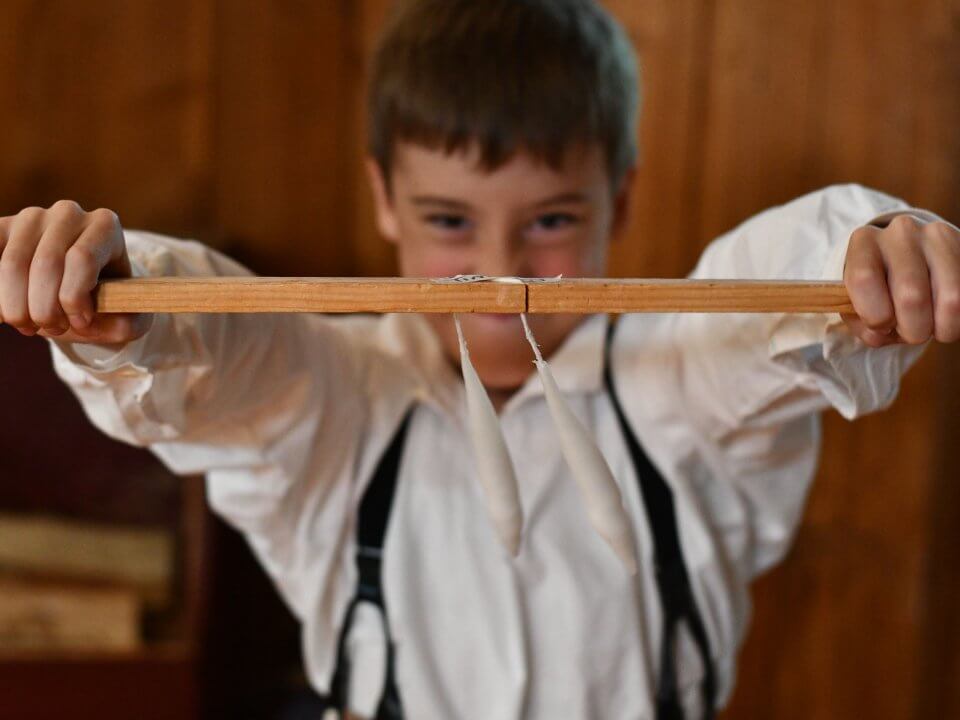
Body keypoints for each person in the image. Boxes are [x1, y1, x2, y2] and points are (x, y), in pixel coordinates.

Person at [1, 1, 958, 718]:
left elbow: (764, 302)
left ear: (618, 203)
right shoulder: (335, 398)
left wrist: (863, 249)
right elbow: (231, 352)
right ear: (384, 198)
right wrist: (129, 293)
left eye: (551, 219)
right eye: (449, 221)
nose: (501, 274)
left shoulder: (687, 395)